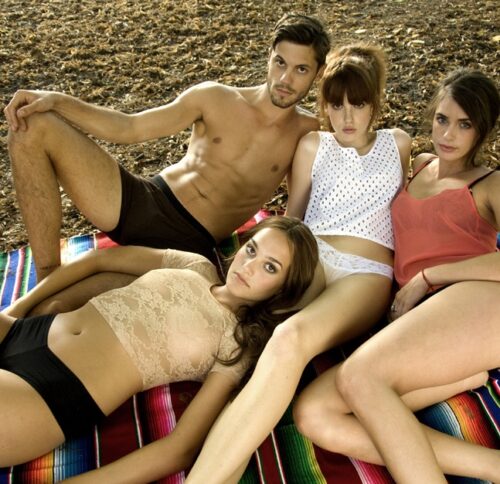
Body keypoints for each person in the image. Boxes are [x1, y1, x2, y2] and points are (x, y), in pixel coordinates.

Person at [185, 43, 412, 482]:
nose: (346, 117)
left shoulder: (397, 144)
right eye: (335, 105)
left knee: (291, 338)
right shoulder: (313, 145)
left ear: (374, 104)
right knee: (257, 350)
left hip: (366, 272)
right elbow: (294, 220)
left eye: (357, 104)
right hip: (312, 257)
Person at [3, 13, 330, 283]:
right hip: (141, 203)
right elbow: (130, 127)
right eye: (280, 62)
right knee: (33, 123)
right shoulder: (215, 97)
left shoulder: (309, 133)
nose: (285, 79)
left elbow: (300, 210)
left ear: (318, 74)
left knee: (63, 307)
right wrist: (57, 101)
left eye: (300, 69)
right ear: (269, 56)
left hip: (189, 247)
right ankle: (46, 271)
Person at [290, 70, 500, 482]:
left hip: (472, 298)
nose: (448, 134)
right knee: (314, 413)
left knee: (359, 376)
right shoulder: (420, 166)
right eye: (442, 119)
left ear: (484, 130)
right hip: (424, 322)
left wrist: (429, 276)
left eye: (464, 125)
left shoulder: (490, 184)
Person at [0, 215, 318, 484]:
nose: (248, 266)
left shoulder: (237, 343)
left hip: (51, 393)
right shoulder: (196, 265)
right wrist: (18, 309)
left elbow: (180, 448)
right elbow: (99, 259)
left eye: (270, 267)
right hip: (26, 331)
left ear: (283, 290)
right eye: (251, 249)